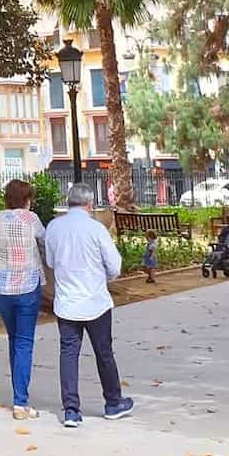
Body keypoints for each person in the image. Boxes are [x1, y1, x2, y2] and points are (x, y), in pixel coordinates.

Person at [45, 182, 134, 428]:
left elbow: (51, 262)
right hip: (96, 302)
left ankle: (71, 410)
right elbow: (114, 265)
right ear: (89, 204)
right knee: (104, 352)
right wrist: (103, 277)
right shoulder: (96, 229)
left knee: (68, 354)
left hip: (67, 303)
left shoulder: (54, 227)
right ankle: (113, 402)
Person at [0, 178, 46, 421]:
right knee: (24, 343)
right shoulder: (32, 219)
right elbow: (43, 238)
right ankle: (21, 402)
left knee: (14, 340)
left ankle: (18, 394)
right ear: (27, 200)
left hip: (1, 288)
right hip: (27, 287)